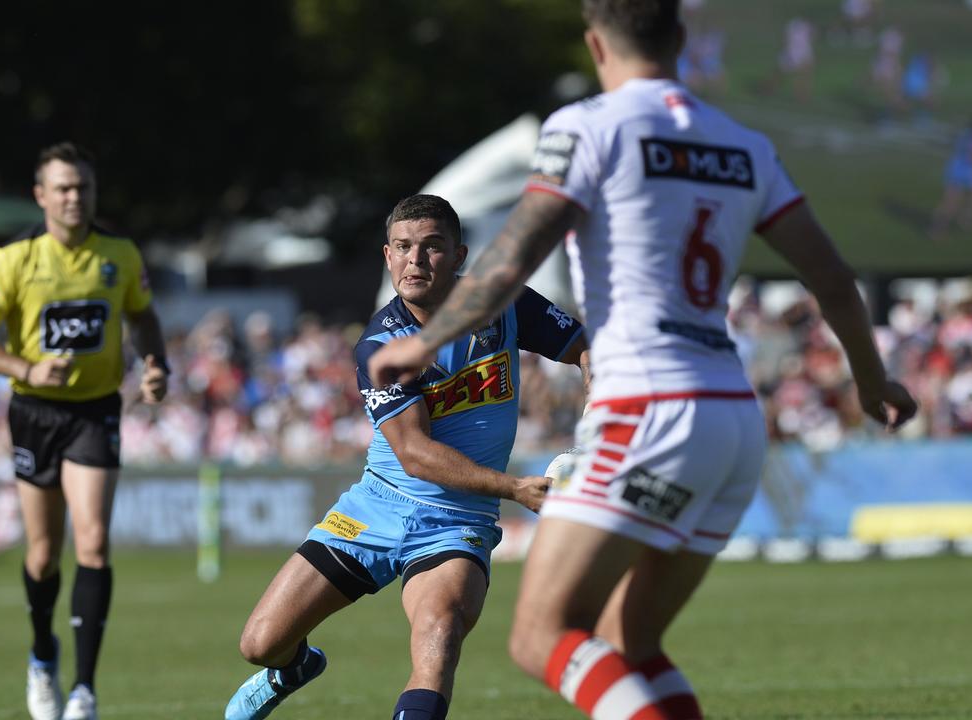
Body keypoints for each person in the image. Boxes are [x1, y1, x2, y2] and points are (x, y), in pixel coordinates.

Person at [367, 3, 917, 717]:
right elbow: (834, 280)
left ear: (596, 44)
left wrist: (421, 342)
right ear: (682, 42)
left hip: (648, 406)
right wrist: (871, 383)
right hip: (733, 421)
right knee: (630, 643)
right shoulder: (744, 144)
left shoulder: (585, 127)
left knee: (541, 634)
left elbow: (510, 259)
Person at [223, 194, 588, 720]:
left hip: (457, 523)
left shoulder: (503, 302)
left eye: (432, 248)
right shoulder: (381, 344)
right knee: (259, 644)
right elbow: (415, 454)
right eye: (403, 248)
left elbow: (584, 345)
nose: (415, 261)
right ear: (387, 256)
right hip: (376, 507)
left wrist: (597, 424)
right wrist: (514, 488)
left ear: (460, 257)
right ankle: (295, 667)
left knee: (438, 636)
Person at [0, 142, 169, 720]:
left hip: (96, 412)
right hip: (34, 414)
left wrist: (155, 364)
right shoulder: (13, 259)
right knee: (44, 554)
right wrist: (25, 368)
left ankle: (84, 690)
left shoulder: (119, 254)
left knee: (93, 541)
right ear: (41, 196)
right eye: (65, 188)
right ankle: (43, 654)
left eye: (84, 188)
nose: (76, 197)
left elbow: (142, 314)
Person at [929, 117, 972, 239]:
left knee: (950, 203)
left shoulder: (966, 133)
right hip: (968, 170)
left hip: (954, 168)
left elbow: (954, 143)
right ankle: (966, 218)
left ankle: (938, 229)